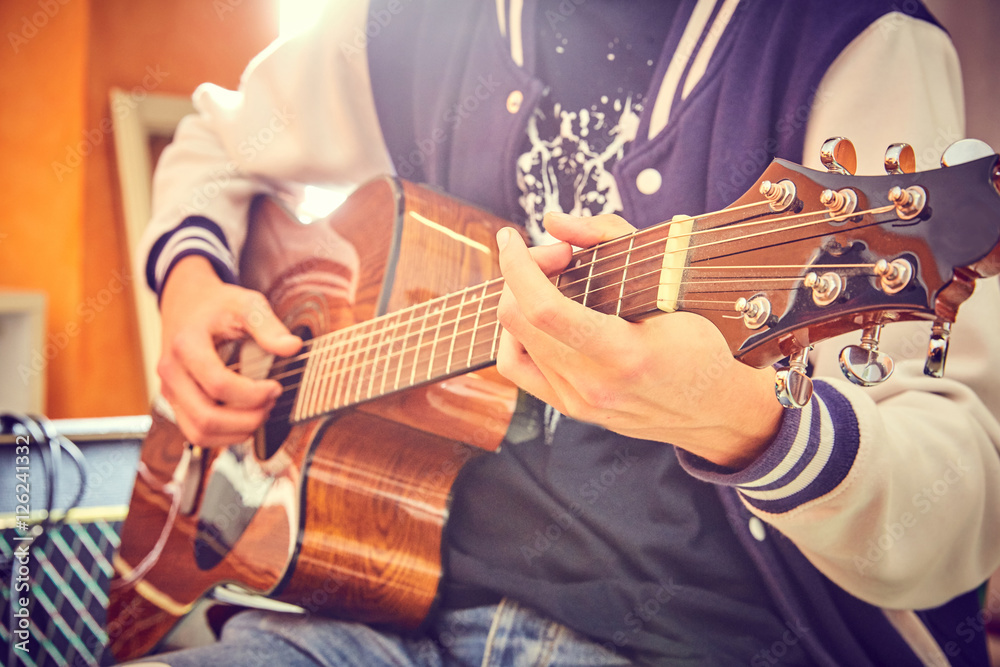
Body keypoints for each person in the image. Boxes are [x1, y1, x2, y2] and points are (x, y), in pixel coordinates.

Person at [132, 0, 1000, 664]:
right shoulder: (414, 24)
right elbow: (215, 135)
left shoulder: (849, 39)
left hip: (688, 637)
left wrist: (741, 418)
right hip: (375, 601)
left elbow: (966, 510)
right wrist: (189, 283)